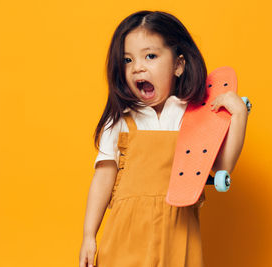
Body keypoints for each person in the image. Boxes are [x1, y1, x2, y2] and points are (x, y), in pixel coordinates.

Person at [79, 10, 248, 267]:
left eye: (150, 56)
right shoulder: (121, 120)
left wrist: (238, 116)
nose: (138, 67)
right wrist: (89, 236)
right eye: (127, 60)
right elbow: (103, 177)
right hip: (125, 238)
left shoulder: (192, 116)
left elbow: (222, 167)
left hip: (178, 236)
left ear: (178, 65)